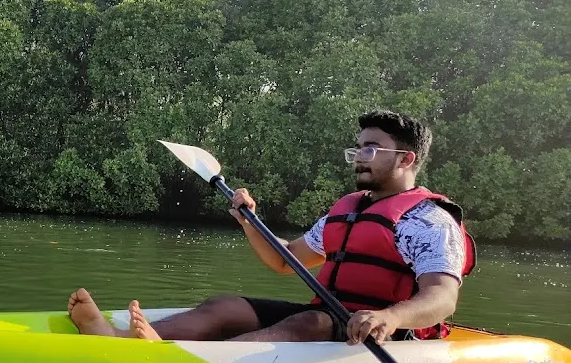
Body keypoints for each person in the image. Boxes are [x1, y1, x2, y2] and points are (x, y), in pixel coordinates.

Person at [68, 110, 476, 346]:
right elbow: (288, 261)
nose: (358, 157)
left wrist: (388, 317)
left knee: (309, 323)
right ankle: (120, 339)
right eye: (357, 148)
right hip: (332, 319)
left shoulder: (428, 221)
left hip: (391, 336)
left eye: (370, 148)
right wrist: (249, 221)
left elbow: (442, 298)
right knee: (226, 304)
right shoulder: (349, 210)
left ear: (405, 159)